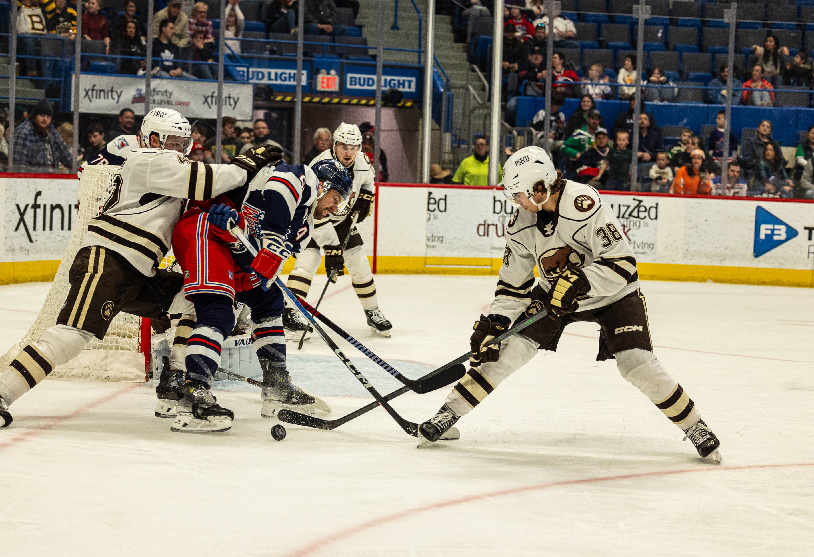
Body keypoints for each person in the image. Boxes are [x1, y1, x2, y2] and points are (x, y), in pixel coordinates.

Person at [0, 108, 280, 430]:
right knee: (74, 335)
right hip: (108, 258)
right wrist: (248, 162)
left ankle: (175, 382)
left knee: (197, 299)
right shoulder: (148, 160)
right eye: (173, 141)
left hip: (140, 270)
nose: (181, 150)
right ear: (153, 138)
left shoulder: (167, 167)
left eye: (184, 143)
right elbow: (213, 180)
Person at [416, 146, 721, 463]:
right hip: (554, 294)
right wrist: (496, 323)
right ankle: (448, 415)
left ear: (539, 187)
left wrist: (581, 280)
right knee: (505, 349)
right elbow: (513, 284)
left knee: (636, 363)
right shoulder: (522, 223)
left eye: (518, 194)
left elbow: (624, 264)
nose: (514, 201)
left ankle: (694, 425)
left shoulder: (583, 204)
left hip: (613, 293)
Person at [166, 155, 338, 431]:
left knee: (269, 300)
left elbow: (256, 262)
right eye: (336, 197)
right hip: (204, 228)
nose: (336, 207)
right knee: (218, 313)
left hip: (229, 243)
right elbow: (280, 190)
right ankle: (193, 393)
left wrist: (249, 247)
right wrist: (269, 242)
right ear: (324, 185)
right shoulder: (303, 177)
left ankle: (276, 385)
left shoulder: (304, 228)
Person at [285, 123, 394, 337]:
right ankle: (290, 313)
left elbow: (368, 181)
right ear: (335, 145)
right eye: (344, 146)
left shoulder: (363, 162)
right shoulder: (320, 166)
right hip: (314, 219)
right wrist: (332, 247)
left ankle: (372, 311)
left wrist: (366, 195)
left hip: (341, 220)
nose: (349, 152)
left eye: (354, 147)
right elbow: (314, 209)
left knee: (359, 263)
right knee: (307, 263)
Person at [12, 99, 73, 172]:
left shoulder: (52, 130)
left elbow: (67, 158)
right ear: (34, 116)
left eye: (48, 117)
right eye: (42, 115)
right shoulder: (23, 132)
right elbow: (20, 168)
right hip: (32, 181)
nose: (45, 119)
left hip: (53, 180)